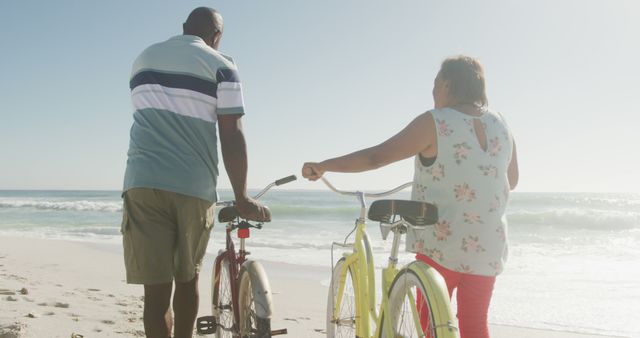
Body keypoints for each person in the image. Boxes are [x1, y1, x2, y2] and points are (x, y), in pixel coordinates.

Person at [302, 55, 518, 338]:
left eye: (435, 84)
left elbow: (376, 157)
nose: (432, 92)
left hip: (443, 241)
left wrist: (324, 166)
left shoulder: (436, 122)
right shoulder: (501, 124)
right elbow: (510, 180)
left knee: (430, 326)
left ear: (447, 84)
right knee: (475, 325)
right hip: (488, 245)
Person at [122, 7, 270, 338]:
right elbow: (231, 134)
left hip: (142, 182)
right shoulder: (222, 65)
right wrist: (242, 197)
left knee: (155, 293)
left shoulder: (143, 59)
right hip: (193, 185)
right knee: (186, 281)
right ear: (216, 36)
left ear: (183, 28)